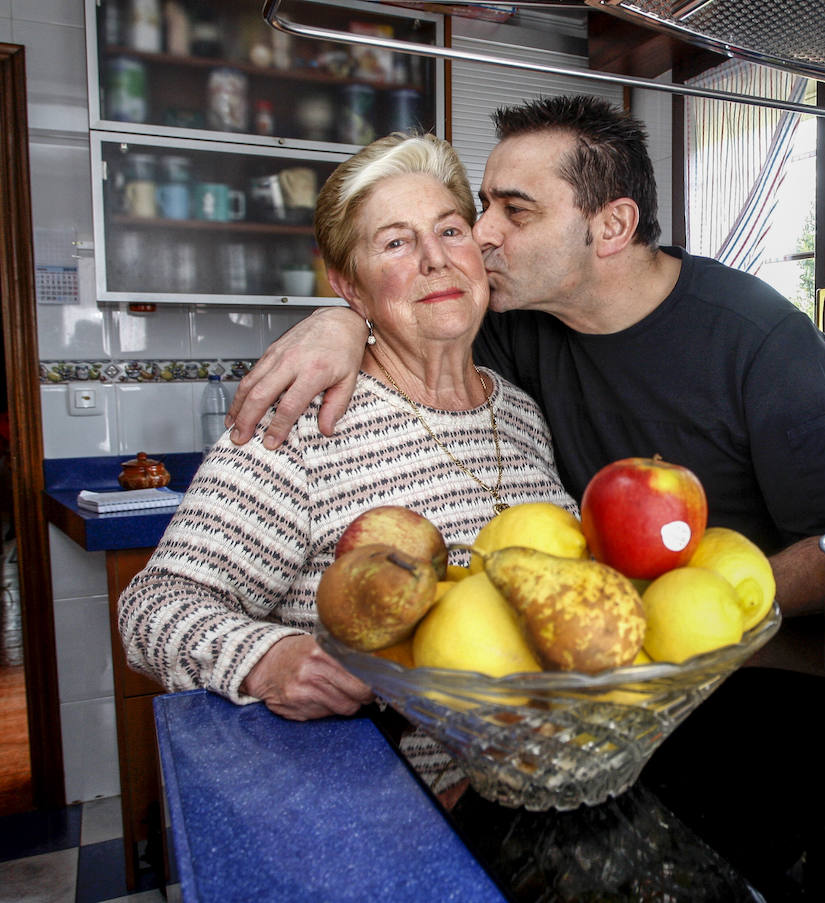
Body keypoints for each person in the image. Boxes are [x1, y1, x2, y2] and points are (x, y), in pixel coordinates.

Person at [226, 95, 825, 615]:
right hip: (598, 683)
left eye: (515, 212)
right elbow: (411, 311)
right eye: (482, 207)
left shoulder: (764, 341)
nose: (479, 236)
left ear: (611, 227)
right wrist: (343, 320)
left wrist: (698, 612)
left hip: (751, 671)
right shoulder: (515, 324)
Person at [118, 133, 575, 797]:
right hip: (389, 811)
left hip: (540, 798)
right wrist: (265, 658)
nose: (433, 259)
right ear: (347, 287)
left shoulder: (520, 411)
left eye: (450, 230)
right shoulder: (302, 419)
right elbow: (153, 607)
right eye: (395, 242)